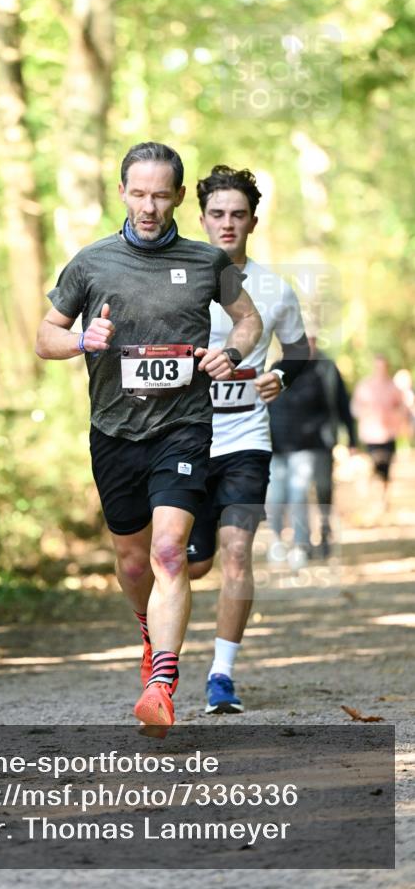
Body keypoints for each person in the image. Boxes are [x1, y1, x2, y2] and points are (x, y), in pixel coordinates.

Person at [36, 143, 263, 735]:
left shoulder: (207, 260)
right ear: (121, 192)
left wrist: (231, 353)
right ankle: (148, 633)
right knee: (134, 561)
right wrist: (84, 342)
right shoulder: (91, 263)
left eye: (161, 195)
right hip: (113, 430)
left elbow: (248, 319)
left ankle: (161, 685)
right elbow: (44, 337)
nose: (149, 206)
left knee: (169, 553)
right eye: (138, 193)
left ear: (180, 197)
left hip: (183, 428)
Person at [186, 165, 308, 714]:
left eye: (238, 215)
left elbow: (303, 352)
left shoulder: (274, 288)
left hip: (245, 439)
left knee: (238, 550)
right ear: (202, 219)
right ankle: (159, 659)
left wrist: (279, 375)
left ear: (253, 221)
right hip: (181, 441)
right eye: (217, 214)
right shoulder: (176, 278)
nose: (227, 224)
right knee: (189, 565)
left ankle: (221, 675)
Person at [266, 352, 331, 568]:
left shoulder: (315, 374)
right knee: (275, 498)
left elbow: (325, 410)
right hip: (276, 447)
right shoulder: (273, 370)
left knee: (298, 496)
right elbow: (264, 405)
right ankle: (276, 541)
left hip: (304, 447)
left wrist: (311, 432)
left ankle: (301, 545)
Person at [308, 334, 357, 556]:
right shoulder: (285, 367)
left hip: (323, 440)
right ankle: (303, 540)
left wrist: (352, 439)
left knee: (323, 488)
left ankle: (325, 532)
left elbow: (342, 403)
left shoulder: (327, 368)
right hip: (291, 444)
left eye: (311, 339)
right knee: (297, 493)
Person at [351, 355, 410, 511]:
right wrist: (365, 413)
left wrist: (397, 418)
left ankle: (382, 499)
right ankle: (372, 497)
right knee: (371, 466)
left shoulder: (393, 388)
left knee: (386, 468)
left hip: (389, 434)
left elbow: (403, 408)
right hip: (370, 435)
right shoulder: (364, 386)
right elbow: (354, 408)